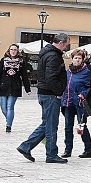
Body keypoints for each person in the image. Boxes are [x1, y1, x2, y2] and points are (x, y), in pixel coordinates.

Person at [15, 33, 70, 164]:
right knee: (51, 125)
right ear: (61, 43)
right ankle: (51, 154)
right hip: (50, 94)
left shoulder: (47, 53)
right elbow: (51, 77)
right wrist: (58, 91)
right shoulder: (53, 56)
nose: (68, 46)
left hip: (44, 93)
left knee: (46, 123)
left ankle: (26, 147)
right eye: (67, 43)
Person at [60, 49, 91, 159]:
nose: (77, 60)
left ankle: (88, 150)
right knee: (68, 127)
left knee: (81, 127)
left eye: (79, 58)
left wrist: (83, 94)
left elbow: (90, 87)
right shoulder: (68, 71)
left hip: (79, 103)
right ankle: (67, 150)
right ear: (72, 59)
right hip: (68, 102)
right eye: (75, 58)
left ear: (83, 60)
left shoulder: (86, 72)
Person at [0, 44, 32, 132]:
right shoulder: (3, 60)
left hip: (15, 87)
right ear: (8, 50)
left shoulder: (21, 61)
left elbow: (24, 75)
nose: (13, 51)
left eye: (15, 49)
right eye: (11, 49)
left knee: (10, 106)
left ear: (17, 51)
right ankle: (9, 119)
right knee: (3, 107)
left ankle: (8, 125)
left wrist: (27, 89)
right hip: (3, 86)